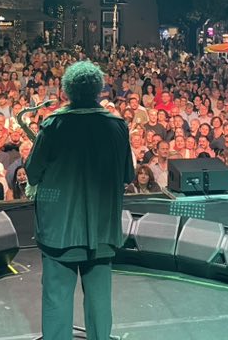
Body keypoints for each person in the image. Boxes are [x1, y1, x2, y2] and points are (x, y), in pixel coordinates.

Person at [25, 60, 134, 340]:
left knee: (57, 298)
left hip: (59, 230)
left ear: (67, 90)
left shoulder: (54, 124)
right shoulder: (117, 126)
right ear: (99, 89)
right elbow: (127, 174)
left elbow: (33, 171)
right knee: (99, 300)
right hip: (102, 229)